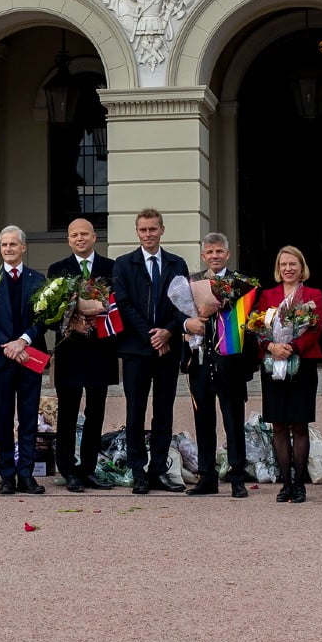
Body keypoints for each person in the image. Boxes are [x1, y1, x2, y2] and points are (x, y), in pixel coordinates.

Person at [112, 208, 189, 494]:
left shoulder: (176, 264)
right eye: (143, 230)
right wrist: (151, 336)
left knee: (164, 412)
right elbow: (124, 304)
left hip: (168, 349)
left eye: (153, 229)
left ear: (162, 230)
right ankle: (138, 470)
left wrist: (168, 331)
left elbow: (183, 304)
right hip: (136, 350)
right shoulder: (123, 264)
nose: (148, 235)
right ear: (137, 232)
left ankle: (158, 469)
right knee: (135, 412)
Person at [179, 233, 254, 498]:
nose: (214, 256)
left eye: (219, 251)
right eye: (209, 252)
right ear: (203, 256)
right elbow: (181, 315)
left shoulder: (242, 284)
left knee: (233, 421)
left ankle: (237, 478)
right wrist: (191, 321)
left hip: (230, 362)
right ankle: (207, 477)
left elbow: (250, 323)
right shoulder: (192, 283)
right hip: (200, 361)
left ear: (228, 254)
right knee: (203, 420)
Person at [45, 218, 118, 492]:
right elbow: (47, 312)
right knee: (68, 412)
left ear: (94, 237)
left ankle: (88, 468)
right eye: (74, 234)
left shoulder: (111, 268)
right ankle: (67, 468)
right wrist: (68, 322)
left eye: (84, 234)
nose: (79, 238)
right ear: (68, 240)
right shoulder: (57, 269)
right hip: (70, 351)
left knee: (96, 411)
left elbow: (118, 304)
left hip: (101, 350)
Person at [254, 246, 322, 504]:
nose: (288, 269)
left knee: (299, 423)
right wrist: (271, 346)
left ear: (301, 266)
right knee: (279, 425)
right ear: (278, 268)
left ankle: (299, 485)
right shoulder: (267, 295)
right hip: (273, 365)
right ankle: (285, 483)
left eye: (293, 264)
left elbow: (316, 328)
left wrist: (293, 347)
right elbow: (256, 326)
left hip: (302, 364)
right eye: (283, 264)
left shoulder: (313, 294)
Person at [0, 226, 49, 495]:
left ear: (23, 247)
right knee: (3, 418)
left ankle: (26, 475)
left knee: (28, 418)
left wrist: (23, 340)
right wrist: (8, 346)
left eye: (13, 244)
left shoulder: (37, 279)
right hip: (1, 360)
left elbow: (44, 318)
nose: (8, 249)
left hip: (29, 357)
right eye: (4, 244)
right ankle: (7, 476)